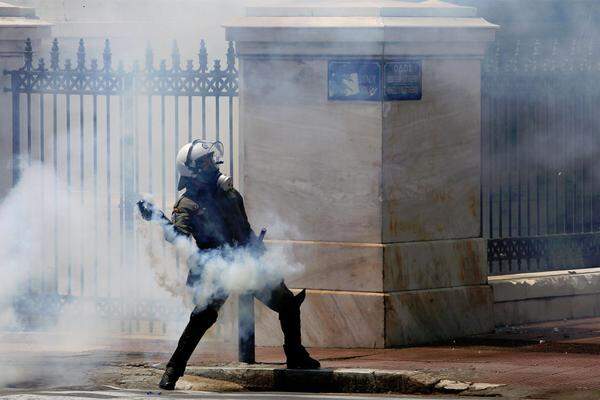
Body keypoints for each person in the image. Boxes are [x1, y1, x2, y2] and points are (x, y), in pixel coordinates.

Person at [157, 140, 320, 390]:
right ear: (192, 170)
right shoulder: (187, 204)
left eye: (212, 159)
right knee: (202, 319)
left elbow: (245, 229)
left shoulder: (230, 193)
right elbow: (177, 237)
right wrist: (161, 221)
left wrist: (261, 255)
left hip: (245, 261)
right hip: (216, 268)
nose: (212, 164)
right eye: (205, 162)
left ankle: (296, 356)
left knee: (287, 303)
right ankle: (173, 369)